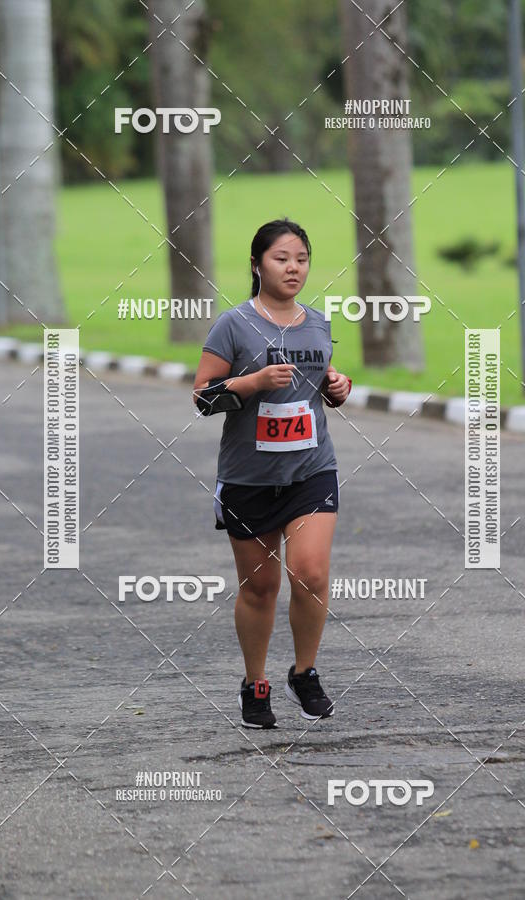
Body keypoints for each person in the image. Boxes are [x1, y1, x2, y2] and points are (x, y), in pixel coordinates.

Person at [193, 218, 352, 729]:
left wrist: (337, 387)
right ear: (258, 264)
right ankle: (254, 683)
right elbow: (202, 398)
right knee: (260, 589)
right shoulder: (234, 324)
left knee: (310, 574)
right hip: (249, 478)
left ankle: (304, 672)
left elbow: (317, 390)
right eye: (282, 258)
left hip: (311, 469)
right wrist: (253, 381)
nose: (294, 268)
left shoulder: (318, 323)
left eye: (302, 259)